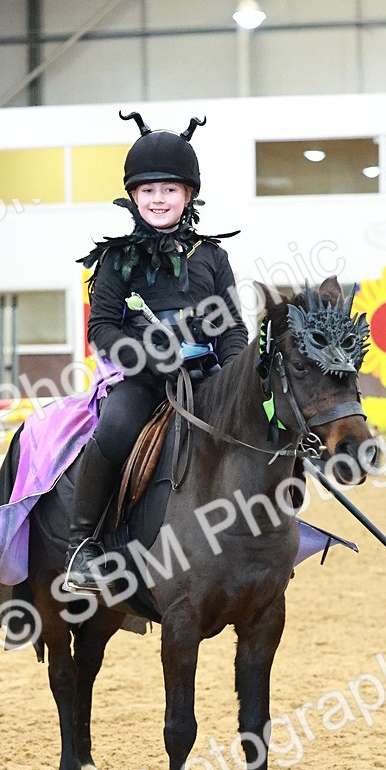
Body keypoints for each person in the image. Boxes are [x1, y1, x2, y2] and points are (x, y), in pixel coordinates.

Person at [64, 110, 248, 593]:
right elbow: (102, 328)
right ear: (133, 197)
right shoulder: (115, 259)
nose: (158, 199)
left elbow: (231, 328)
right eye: (148, 190)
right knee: (115, 429)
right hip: (143, 382)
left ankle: (263, 535)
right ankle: (82, 546)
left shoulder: (213, 257)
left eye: (169, 189)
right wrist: (147, 358)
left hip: (206, 378)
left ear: (188, 195)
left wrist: (235, 378)